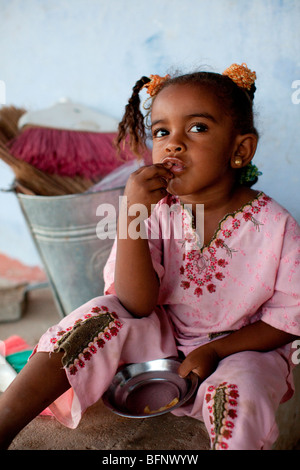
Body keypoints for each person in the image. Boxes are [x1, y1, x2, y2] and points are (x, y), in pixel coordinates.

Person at [0, 63, 299, 450]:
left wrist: (214, 350)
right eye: (161, 132)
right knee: (93, 319)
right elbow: (134, 304)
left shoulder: (276, 226)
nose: (173, 143)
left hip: (240, 350)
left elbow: (288, 320)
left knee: (243, 390)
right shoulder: (160, 211)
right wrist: (132, 213)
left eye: (197, 128)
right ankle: (5, 421)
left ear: (240, 149)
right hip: (158, 342)